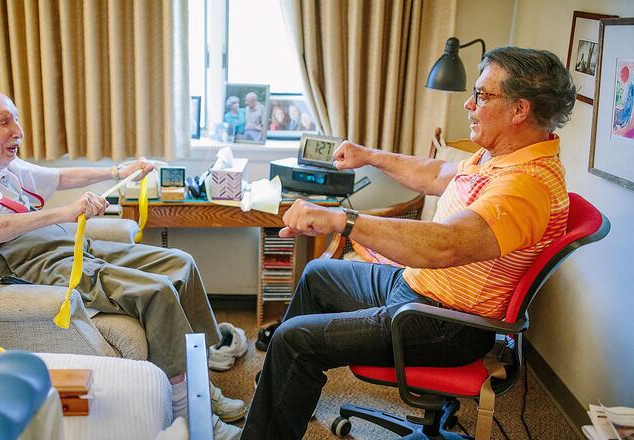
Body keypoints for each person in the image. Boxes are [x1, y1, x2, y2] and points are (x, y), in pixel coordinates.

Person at [240, 46, 576, 439]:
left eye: (482, 95)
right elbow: (439, 174)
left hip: (445, 323)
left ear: (520, 110)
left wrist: (341, 220)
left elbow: (442, 246)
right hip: (419, 288)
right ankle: (281, 399)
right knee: (317, 276)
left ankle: (272, 414)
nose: (469, 103)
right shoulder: (502, 155)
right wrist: (370, 155)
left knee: (292, 340)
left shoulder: (525, 186)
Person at [0, 89, 245, 440]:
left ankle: (201, 383)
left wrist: (117, 171)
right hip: (15, 262)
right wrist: (64, 212)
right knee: (154, 291)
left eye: (16, 119)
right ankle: (191, 414)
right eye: (5, 122)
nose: (18, 131)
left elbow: (60, 178)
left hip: (58, 241)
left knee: (180, 264)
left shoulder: (2, 164)